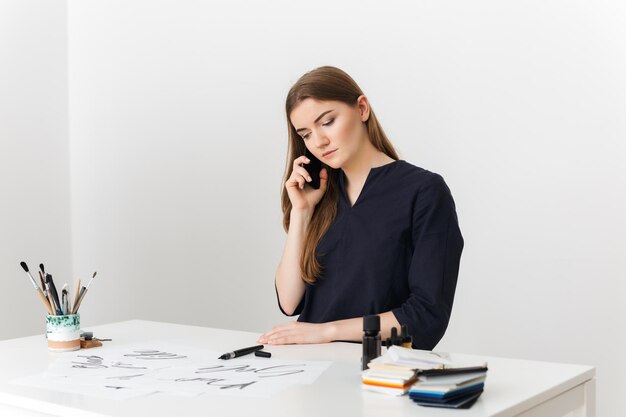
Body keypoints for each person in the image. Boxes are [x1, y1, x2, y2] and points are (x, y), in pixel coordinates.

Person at [257, 66, 464, 350]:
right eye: (305, 134)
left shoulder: (424, 191)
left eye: (327, 122)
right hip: (307, 367)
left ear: (362, 108)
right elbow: (290, 302)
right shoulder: (318, 195)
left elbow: (427, 316)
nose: (318, 142)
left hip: (380, 374)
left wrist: (326, 331)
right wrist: (301, 213)